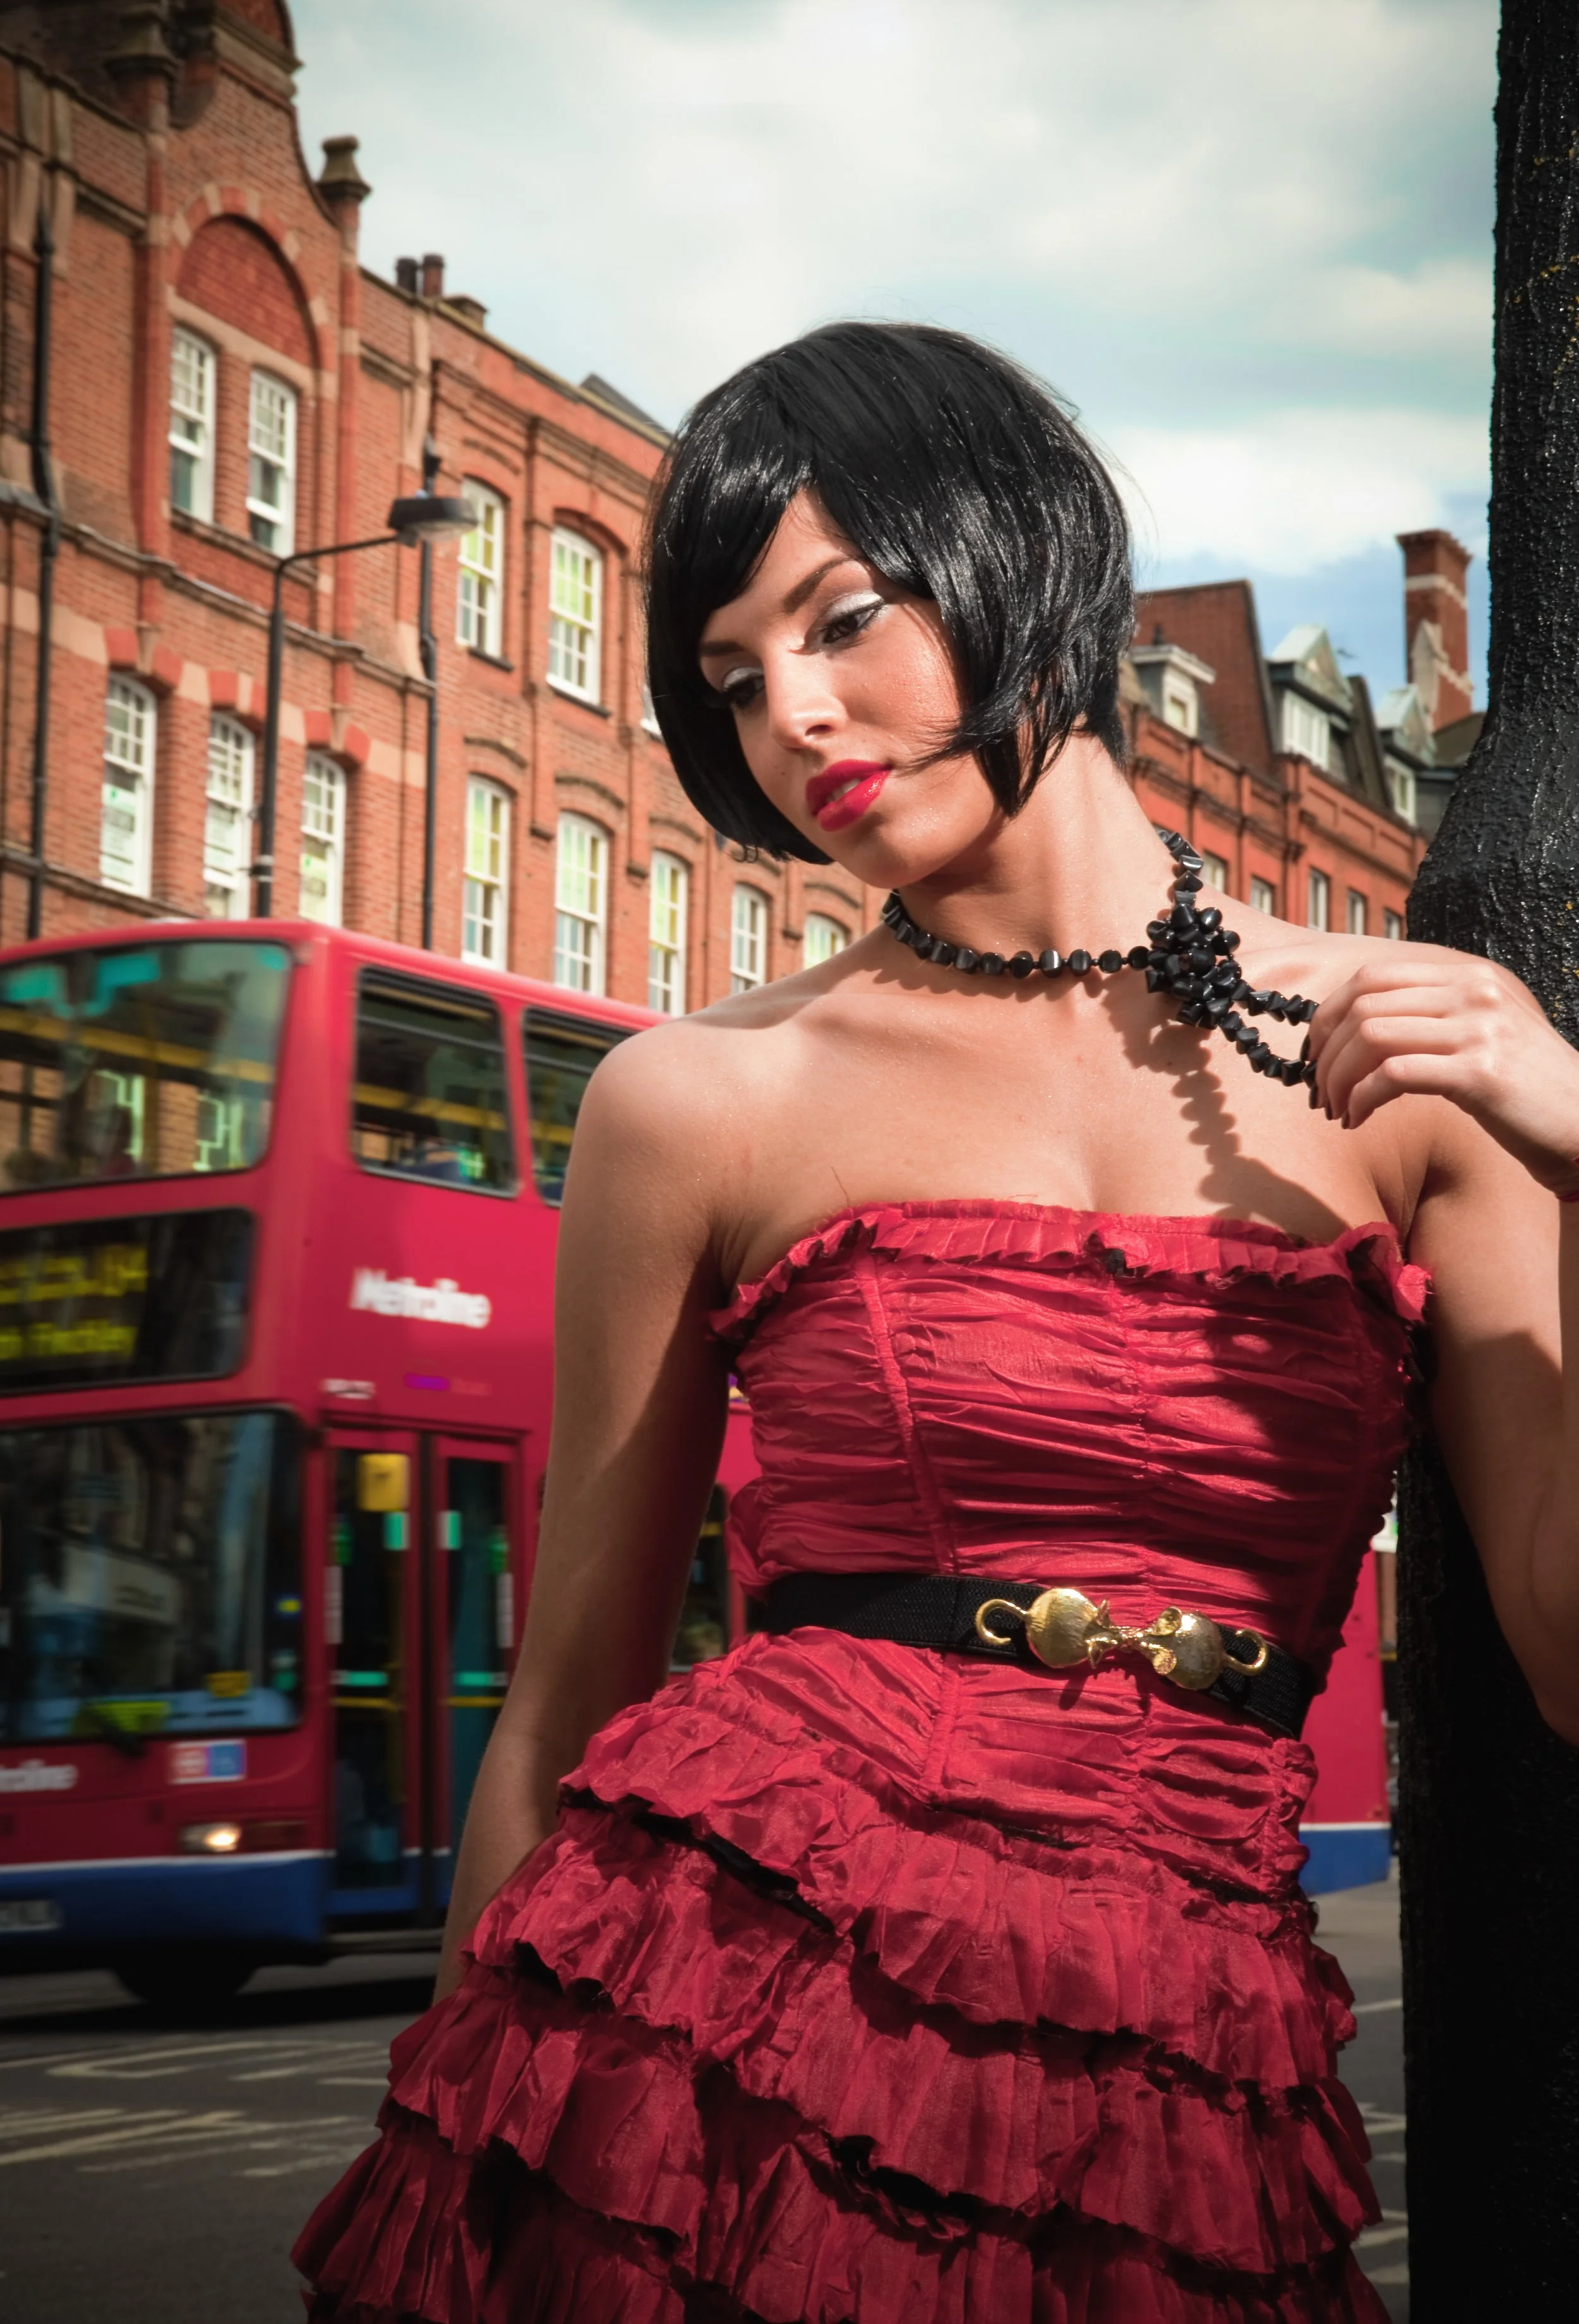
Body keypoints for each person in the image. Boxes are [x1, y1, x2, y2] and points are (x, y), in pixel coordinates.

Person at [295, 322, 1579, 2322]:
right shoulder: (693, 1099)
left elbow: (1565, 1646)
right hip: (718, 2013)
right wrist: (485, 2156)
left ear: (1015, 553)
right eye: (731, 680)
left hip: (1185, 2031)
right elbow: (561, 1709)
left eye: (841, 619)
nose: (791, 718)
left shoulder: (1425, 1052)